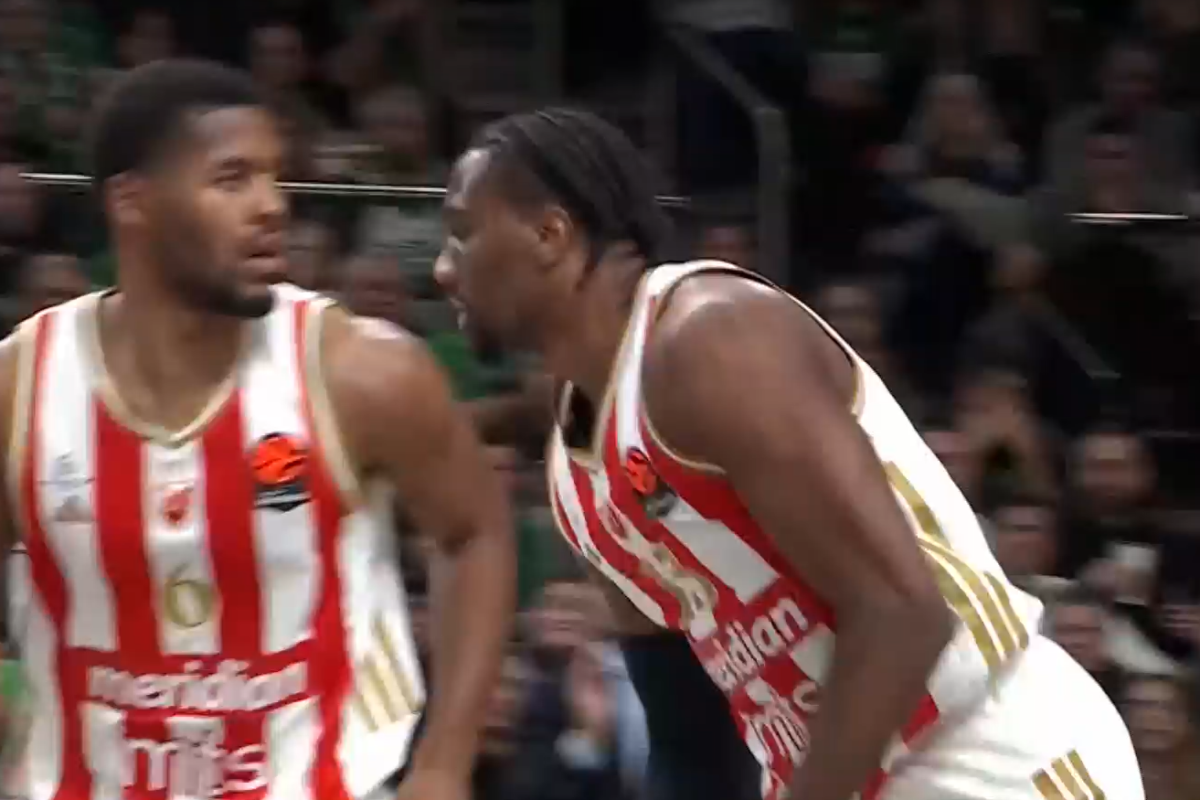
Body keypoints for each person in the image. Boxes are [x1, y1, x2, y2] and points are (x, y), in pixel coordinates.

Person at [433, 107, 1143, 800]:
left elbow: (902, 614)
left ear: (550, 233)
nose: (441, 269)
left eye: (463, 234)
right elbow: (690, 741)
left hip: (987, 754)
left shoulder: (710, 337)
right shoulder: (576, 477)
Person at [0, 59, 516, 800]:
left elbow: (475, 534)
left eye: (275, 177)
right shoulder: (21, 387)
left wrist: (443, 765)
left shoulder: (362, 371)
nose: (272, 206)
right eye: (232, 179)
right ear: (132, 202)